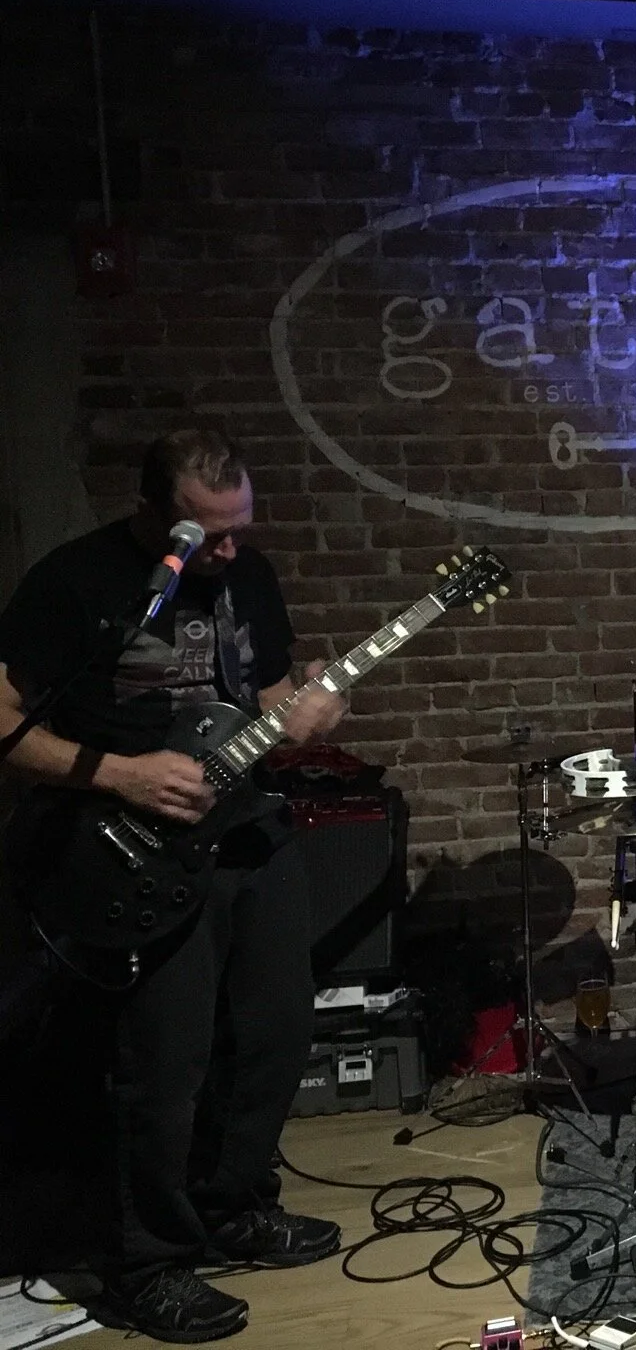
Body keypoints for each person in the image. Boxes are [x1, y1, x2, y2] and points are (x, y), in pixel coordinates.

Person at [0, 430, 347, 1343]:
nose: (228, 550)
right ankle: (147, 1263)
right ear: (153, 514)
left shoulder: (249, 575)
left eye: (240, 529)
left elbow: (267, 695)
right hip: (129, 848)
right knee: (161, 1064)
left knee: (274, 1034)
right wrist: (120, 774)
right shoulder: (75, 582)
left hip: (247, 831)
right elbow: (1, 716)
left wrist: (310, 709)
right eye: (207, 533)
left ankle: (237, 1206)